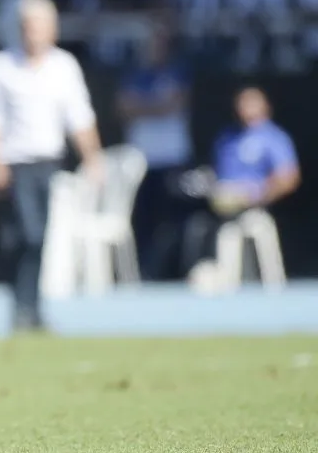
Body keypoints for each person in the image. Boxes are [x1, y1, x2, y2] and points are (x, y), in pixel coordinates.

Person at [0, 0, 103, 332]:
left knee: (39, 237)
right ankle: (22, 307)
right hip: (16, 164)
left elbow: (80, 117)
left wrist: (93, 157)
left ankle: (30, 308)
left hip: (49, 162)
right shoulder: (2, 65)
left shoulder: (64, 66)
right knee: (28, 235)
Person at [181, 86, 300, 273]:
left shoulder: (274, 138)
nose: (246, 108)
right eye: (242, 104)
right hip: (219, 207)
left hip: (255, 207)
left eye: (252, 103)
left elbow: (289, 178)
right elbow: (217, 172)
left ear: (265, 106)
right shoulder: (227, 137)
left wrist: (256, 196)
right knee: (195, 225)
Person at [116, 22, 193, 280]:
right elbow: (125, 108)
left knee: (173, 221)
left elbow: (172, 105)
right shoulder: (135, 73)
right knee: (143, 221)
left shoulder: (178, 72)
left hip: (173, 159)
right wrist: (155, 106)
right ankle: (144, 273)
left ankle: (176, 273)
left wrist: (144, 106)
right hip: (140, 162)